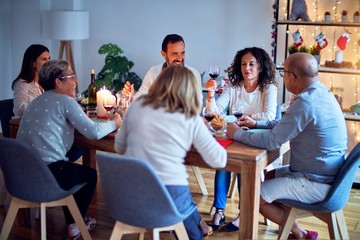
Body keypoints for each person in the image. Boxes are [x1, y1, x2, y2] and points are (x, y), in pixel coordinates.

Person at [226, 52, 347, 239]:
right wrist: (256, 124)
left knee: (253, 196)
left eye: (284, 74)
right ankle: (297, 231)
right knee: (270, 175)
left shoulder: (305, 102)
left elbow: (271, 141)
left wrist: (237, 134)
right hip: (329, 174)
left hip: (316, 182)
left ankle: (301, 233)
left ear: (292, 77)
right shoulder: (322, 92)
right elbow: (288, 123)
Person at [114, 65, 227, 240]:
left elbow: (119, 147)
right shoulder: (188, 117)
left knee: (176, 188)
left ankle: (198, 223)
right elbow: (219, 160)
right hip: (165, 199)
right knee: (176, 186)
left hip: (128, 196)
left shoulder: (136, 107)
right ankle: (197, 229)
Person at [16, 59, 122, 239]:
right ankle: (74, 224)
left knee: (70, 170)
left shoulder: (36, 102)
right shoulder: (65, 102)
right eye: (72, 76)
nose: (76, 81)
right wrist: (115, 122)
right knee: (88, 175)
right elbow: (94, 132)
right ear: (58, 82)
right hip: (47, 174)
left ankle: (74, 219)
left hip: (21, 175)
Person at [206, 47, 278, 232]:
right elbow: (215, 111)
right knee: (223, 160)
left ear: (260, 67)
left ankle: (244, 212)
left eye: (252, 64)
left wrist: (251, 120)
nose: (247, 68)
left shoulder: (269, 88)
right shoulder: (234, 88)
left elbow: (270, 116)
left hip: (257, 141)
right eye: (244, 64)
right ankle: (219, 211)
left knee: (241, 165)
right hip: (234, 136)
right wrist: (212, 95)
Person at [134, 34, 203, 103]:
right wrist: (131, 97)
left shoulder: (193, 74)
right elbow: (140, 98)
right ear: (164, 54)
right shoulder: (153, 72)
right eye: (175, 54)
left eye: (182, 53)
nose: (180, 58)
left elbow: (197, 104)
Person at [12, 44, 50, 118]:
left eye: (49, 59)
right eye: (44, 59)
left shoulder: (48, 81)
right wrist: (43, 106)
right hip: (27, 123)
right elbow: (19, 109)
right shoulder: (22, 83)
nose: (48, 63)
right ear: (33, 63)